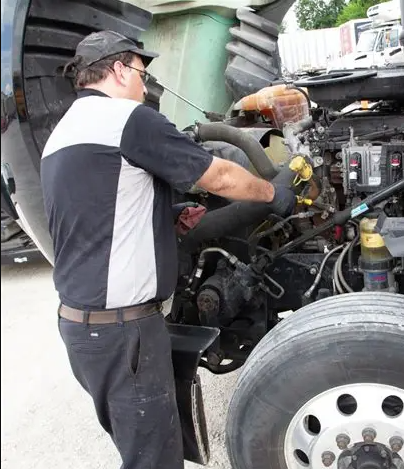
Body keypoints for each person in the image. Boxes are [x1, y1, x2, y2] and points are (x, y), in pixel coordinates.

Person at [40, 30, 296, 469]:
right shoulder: (126, 118)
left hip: (86, 330)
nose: (146, 84)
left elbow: (96, 212)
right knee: (154, 460)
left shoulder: (65, 132)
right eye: (142, 72)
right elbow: (217, 177)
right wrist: (273, 195)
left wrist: (167, 214)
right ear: (120, 69)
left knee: (144, 450)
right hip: (123, 332)